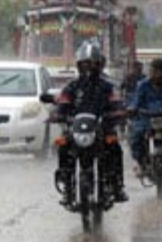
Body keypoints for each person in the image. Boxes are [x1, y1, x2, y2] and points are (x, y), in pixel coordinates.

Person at [51, 40, 128, 203]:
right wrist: (58, 114)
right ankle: (67, 185)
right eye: (85, 64)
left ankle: (117, 186)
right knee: (63, 146)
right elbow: (63, 104)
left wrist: (118, 113)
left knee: (114, 148)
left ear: (99, 65)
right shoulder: (72, 87)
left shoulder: (107, 87)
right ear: (79, 66)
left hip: (102, 128)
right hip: (76, 129)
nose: (88, 68)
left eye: (92, 64)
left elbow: (116, 103)